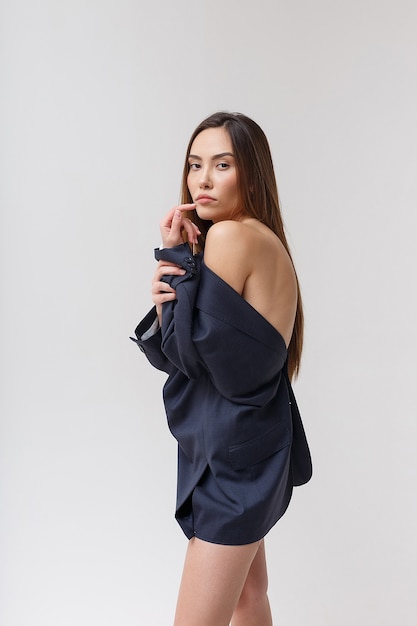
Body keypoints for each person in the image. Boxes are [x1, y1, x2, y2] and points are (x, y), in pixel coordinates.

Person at [131, 111, 312, 626]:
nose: (202, 180)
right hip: (252, 441)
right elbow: (206, 352)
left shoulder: (232, 238)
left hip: (232, 456)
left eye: (222, 164)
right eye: (194, 165)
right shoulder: (257, 236)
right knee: (248, 596)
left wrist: (173, 266)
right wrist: (178, 282)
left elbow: (187, 357)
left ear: (251, 173)